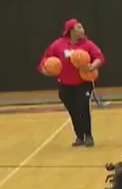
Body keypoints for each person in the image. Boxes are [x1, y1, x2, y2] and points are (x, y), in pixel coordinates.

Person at [38, 19, 103, 147]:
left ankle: (88, 135)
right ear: (71, 31)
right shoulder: (58, 45)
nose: (82, 30)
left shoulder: (88, 44)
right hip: (65, 85)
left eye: (82, 27)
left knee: (83, 108)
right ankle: (79, 136)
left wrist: (92, 66)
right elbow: (45, 59)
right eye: (79, 28)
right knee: (73, 111)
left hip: (83, 83)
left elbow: (100, 58)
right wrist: (45, 70)